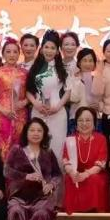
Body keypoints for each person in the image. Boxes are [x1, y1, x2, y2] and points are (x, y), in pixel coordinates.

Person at [4, 118, 62, 220]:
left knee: (42, 213)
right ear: (26, 132)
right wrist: (25, 176)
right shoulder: (17, 150)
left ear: (44, 134)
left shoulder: (48, 152)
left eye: (39, 131)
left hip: (42, 197)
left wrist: (51, 184)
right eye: (32, 130)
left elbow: (57, 174)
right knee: (16, 211)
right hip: (19, 196)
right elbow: (6, 171)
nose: (36, 133)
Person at [26, 31, 70, 169]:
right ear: (41, 49)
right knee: (37, 147)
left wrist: (57, 107)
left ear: (57, 51)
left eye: (53, 48)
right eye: (46, 47)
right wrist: (36, 104)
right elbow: (28, 91)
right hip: (38, 112)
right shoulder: (34, 68)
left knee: (57, 147)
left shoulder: (62, 69)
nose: (49, 51)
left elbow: (68, 91)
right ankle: (39, 178)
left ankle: (57, 180)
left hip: (57, 114)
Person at [0, 38, 29, 161]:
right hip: (2, 114)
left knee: (19, 147)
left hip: (20, 115)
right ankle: (3, 173)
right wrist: (3, 110)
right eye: (8, 51)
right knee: (2, 148)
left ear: (19, 54)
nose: (12, 55)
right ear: (3, 53)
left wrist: (24, 102)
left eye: (15, 52)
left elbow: (31, 94)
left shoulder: (25, 73)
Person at [61, 107, 110, 213]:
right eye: (80, 120)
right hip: (75, 174)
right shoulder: (70, 139)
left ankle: (95, 213)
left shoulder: (101, 139)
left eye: (88, 120)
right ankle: (73, 215)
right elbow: (66, 162)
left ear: (94, 123)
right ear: (76, 123)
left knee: (95, 179)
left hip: (94, 173)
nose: (84, 123)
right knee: (69, 179)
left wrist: (86, 174)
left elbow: (100, 164)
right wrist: (73, 173)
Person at [67, 49, 100, 129]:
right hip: (76, 118)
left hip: (95, 119)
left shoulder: (98, 80)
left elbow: (103, 100)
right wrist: (77, 80)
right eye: (84, 60)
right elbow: (74, 98)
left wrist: (99, 106)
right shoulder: (72, 79)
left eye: (90, 61)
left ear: (94, 64)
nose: (87, 64)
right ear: (79, 63)